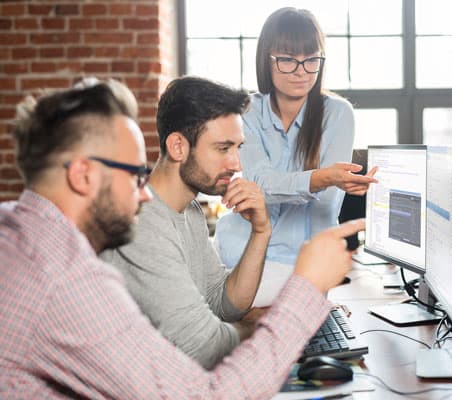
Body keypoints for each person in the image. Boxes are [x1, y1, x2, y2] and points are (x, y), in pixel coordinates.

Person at [0, 78, 365, 399]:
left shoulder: (18, 227)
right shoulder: (64, 275)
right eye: (132, 174)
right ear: (82, 176)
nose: (142, 193)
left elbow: (221, 305)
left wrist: (261, 232)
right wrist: (302, 294)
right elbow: (205, 384)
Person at [99, 76, 272, 369]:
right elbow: (204, 348)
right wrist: (282, 323)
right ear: (178, 146)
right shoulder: (142, 221)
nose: (236, 164)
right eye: (222, 148)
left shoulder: (189, 210)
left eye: (237, 148)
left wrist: (261, 231)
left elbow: (224, 304)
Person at [215, 7, 377, 273]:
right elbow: (259, 183)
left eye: (312, 59)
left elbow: (325, 204)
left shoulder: (338, 113)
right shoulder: (247, 111)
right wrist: (322, 178)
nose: (301, 71)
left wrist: (290, 187)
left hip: (309, 260)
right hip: (242, 252)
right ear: (267, 60)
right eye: (288, 60)